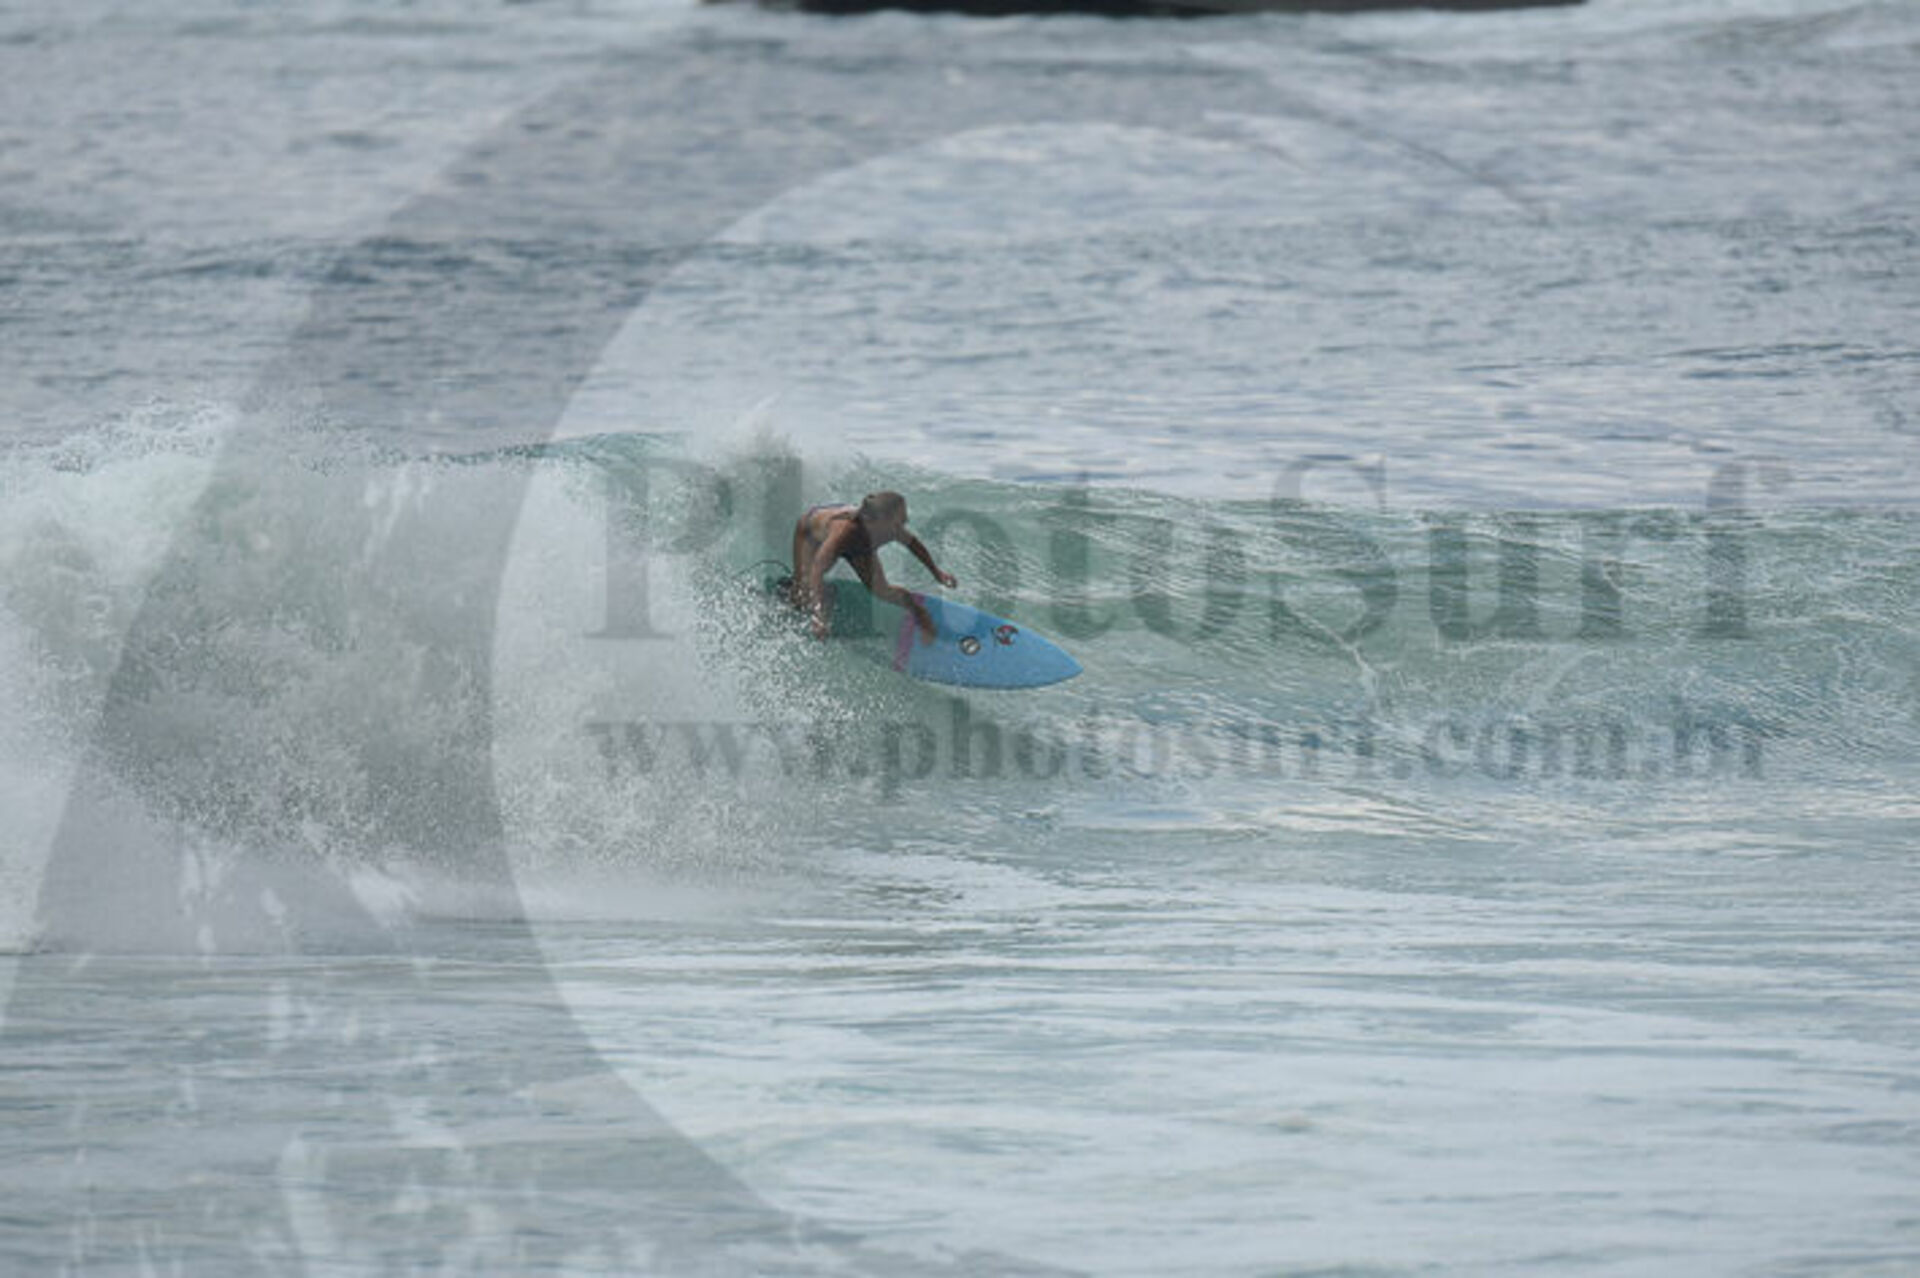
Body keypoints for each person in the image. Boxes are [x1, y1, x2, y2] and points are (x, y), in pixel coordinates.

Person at [791, 491, 956, 642]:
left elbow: (914, 545)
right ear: (880, 520)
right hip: (811, 533)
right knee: (804, 589)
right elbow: (817, 569)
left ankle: (920, 613)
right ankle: (799, 594)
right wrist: (819, 616)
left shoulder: (892, 528)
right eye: (900, 518)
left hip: (859, 545)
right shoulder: (844, 532)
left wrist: (937, 573)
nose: (905, 521)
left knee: (882, 590)